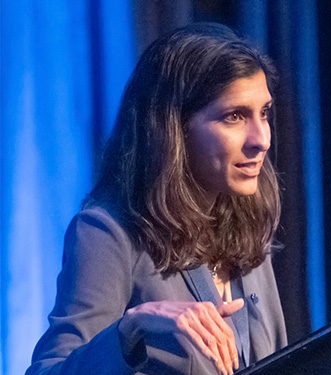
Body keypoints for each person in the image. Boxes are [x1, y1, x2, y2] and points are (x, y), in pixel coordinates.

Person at [26, 23, 287, 375]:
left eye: (264, 113)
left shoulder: (247, 219)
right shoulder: (108, 233)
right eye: (235, 116)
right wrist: (130, 328)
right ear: (173, 129)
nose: (262, 139)